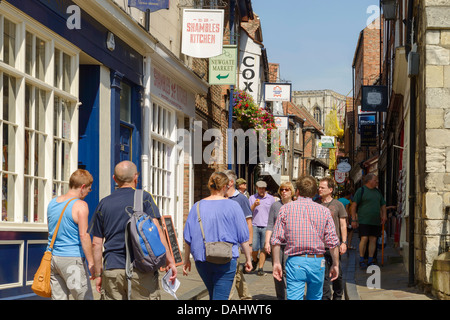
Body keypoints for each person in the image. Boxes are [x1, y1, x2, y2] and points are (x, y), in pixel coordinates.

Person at [90, 161, 177, 300]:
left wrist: (98, 274)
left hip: (113, 269)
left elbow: (96, 243)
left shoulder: (104, 203)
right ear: (136, 177)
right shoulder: (145, 198)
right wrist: (170, 261)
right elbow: (157, 231)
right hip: (142, 269)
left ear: (114, 179)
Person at [183, 172, 252, 300]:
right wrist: (248, 258)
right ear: (225, 186)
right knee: (220, 297)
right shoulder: (234, 206)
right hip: (226, 258)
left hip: (202, 259)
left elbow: (188, 237)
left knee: (213, 294)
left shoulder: (196, 206)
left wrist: (186, 259)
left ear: (210, 185)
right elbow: (243, 236)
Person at [271, 175, 340, 300]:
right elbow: (333, 242)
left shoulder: (285, 209)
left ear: (297, 191)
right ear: (314, 193)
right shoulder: (324, 211)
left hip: (295, 260)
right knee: (315, 297)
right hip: (317, 261)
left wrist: (276, 262)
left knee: (294, 297)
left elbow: (276, 239)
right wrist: (335, 264)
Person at [47, 169, 95, 300]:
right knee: (84, 297)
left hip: (53, 259)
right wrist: (91, 262)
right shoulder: (81, 205)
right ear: (83, 187)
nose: (87, 193)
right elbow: (84, 235)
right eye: (89, 190)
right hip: (72, 260)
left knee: (58, 298)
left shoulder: (52, 203)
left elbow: (50, 231)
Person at [224, 170, 253, 300]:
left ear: (230, 182)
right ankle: (246, 296)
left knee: (230, 275)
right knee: (236, 272)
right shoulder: (220, 197)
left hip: (235, 244)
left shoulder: (241, 199)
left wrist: (249, 245)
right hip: (223, 244)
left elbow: (248, 223)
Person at [318, 177, 348, 300]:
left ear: (330, 189)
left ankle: (338, 296)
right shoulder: (316, 204)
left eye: (322, 187)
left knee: (338, 273)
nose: (319, 189)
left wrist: (344, 242)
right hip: (320, 246)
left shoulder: (338, 204)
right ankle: (326, 297)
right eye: (319, 187)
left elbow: (343, 224)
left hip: (334, 245)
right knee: (323, 275)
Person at [264, 181, 295, 300]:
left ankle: (291, 296)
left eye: (286, 189)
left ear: (291, 191)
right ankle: (281, 297)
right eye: (282, 189)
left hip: (291, 244)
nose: (284, 192)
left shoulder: (295, 205)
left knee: (288, 271)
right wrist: (267, 242)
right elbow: (270, 225)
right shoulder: (275, 206)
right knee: (277, 270)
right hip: (277, 243)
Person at [350, 173, 387, 268]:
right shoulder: (361, 191)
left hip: (375, 221)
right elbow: (354, 206)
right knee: (364, 238)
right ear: (369, 181)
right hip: (364, 220)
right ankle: (362, 259)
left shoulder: (378, 192)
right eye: (375, 180)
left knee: (373, 239)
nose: (377, 182)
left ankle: (371, 260)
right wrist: (353, 219)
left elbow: (383, 205)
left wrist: (384, 215)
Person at [249, 180, 275, 275]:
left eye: (263, 188)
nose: (262, 190)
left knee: (264, 248)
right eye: (260, 188)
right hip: (255, 226)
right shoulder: (252, 198)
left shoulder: (270, 198)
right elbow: (248, 212)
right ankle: (255, 260)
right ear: (257, 188)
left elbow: (273, 212)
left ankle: (260, 268)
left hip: (266, 227)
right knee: (254, 248)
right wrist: (254, 205)